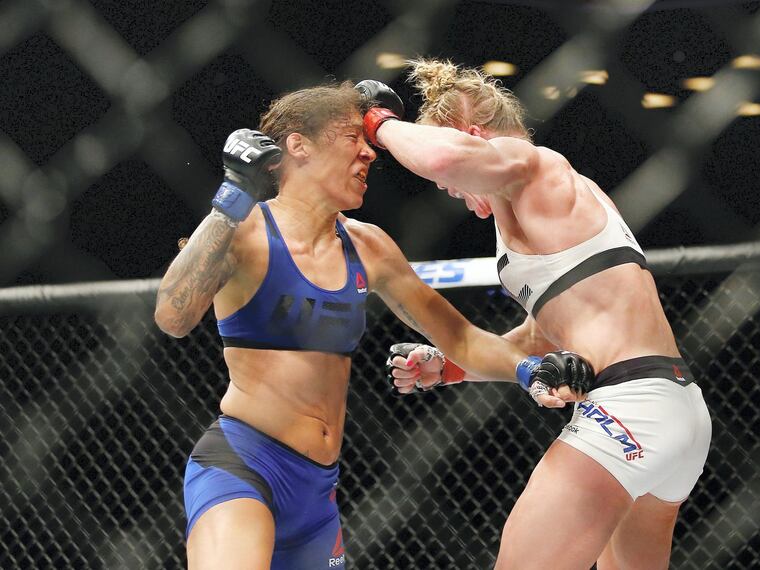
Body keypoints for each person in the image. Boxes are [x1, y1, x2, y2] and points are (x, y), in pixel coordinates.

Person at [153, 81, 594, 570]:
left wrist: (529, 368)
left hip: (318, 494)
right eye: (352, 138)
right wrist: (231, 197)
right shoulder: (244, 230)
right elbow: (173, 317)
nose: (369, 153)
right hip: (242, 467)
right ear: (298, 145)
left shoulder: (369, 246)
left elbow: (462, 340)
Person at [367, 60, 712, 569]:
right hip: (673, 409)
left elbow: (441, 160)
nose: (446, 189)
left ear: (475, 137)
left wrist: (377, 123)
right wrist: (452, 366)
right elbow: (542, 338)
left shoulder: (532, 164)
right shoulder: (533, 213)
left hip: (629, 406)